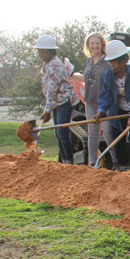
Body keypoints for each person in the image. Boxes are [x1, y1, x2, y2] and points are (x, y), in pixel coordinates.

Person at [35, 34, 79, 164]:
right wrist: (47, 108)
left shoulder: (55, 64)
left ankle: (68, 161)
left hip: (64, 101)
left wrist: (47, 110)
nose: (42, 54)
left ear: (51, 51)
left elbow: (52, 89)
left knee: (62, 131)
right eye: (40, 52)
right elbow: (47, 90)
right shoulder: (46, 65)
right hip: (56, 103)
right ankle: (62, 160)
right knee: (58, 133)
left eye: (44, 52)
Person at [71, 32, 113, 167]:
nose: (95, 46)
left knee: (108, 133)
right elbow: (89, 78)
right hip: (90, 100)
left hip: (105, 101)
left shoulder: (107, 61)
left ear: (102, 45)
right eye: (92, 43)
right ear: (88, 45)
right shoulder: (88, 61)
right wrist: (75, 76)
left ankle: (116, 161)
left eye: (97, 43)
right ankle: (93, 162)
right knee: (92, 133)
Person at [94, 40, 130, 171]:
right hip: (118, 110)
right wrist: (101, 110)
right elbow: (106, 95)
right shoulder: (109, 75)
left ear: (123, 61)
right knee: (117, 136)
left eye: (114, 62)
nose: (111, 65)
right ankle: (122, 165)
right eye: (109, 62)